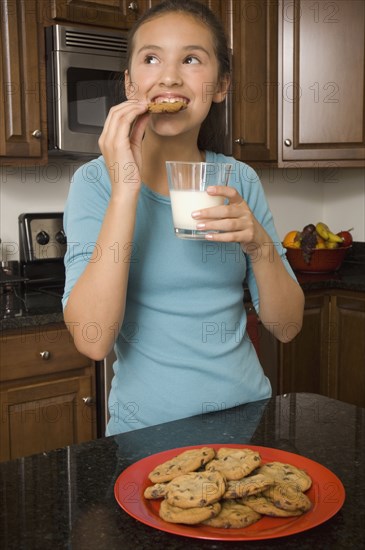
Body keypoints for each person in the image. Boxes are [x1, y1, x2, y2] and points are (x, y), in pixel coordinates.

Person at [62, 0, 304, 435]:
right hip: (145, 435)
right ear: (131, 84)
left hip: (245, 421)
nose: (169, 76)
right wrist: (125, 189)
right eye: (151, 58)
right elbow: (93, 340)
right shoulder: (95, 184)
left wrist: (259, 245)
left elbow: (286, 327)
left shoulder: (238, 179)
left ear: (221, 85)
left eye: (191, 59)